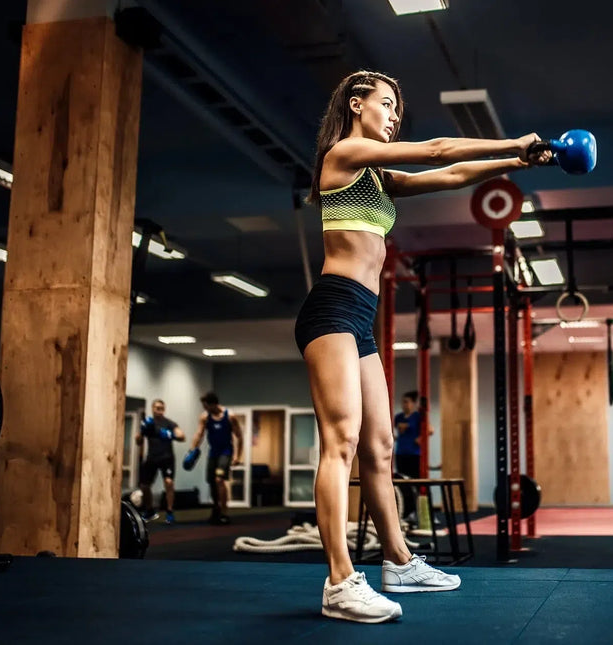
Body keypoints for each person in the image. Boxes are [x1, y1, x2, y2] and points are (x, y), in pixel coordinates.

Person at [295, 69, 551, 623]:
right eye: (385, 106)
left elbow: (454, 171)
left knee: (381, 448)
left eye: (396, 111)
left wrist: (517, 163)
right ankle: (339, 581)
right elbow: (437, 148)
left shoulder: (379, 177)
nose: (391, 117)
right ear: (357, 103)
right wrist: (513, 139)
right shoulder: (342, 154)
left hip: (359, 318)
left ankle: (399, 562)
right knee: (341, 442)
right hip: (333, 307)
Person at [189, 392, 244, 525]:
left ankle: (224, 512)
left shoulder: (230, 416)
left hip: (226, 452)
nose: (205, 409)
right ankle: (216, 508)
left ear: (213, 404)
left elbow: (239, 436)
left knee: (219, 479)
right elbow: (199, 434)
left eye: (206, 406)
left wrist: (238, 456)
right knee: (212, 482)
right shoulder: (205, 417)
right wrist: (192, 450)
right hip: (213, 453)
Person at [135, 399, 185, 524]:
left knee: (168, 482)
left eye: (161, 408)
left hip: (166, 458)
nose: (159, 411)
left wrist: (170, 435)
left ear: (164, 409)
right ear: (152, 408)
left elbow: (182, 436)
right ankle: (150, 511)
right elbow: (138, 442)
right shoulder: (148, 423)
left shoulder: (169, 423)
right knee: (144, 485)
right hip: (152, 457)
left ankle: (169, 512)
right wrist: (140, 433)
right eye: (157, 408)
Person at [393, 390, 428, 523]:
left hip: (414, 455)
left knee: (418, 484)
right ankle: (409, 513)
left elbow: (430, 430)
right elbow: (399, 429)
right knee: (403, 484)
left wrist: (420, 438)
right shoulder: (399, 417)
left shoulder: (418, 417)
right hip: (401, 453)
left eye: (407, 402)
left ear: (413, 404)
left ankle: (423, 513)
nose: (404, 404)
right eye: (403, 402)